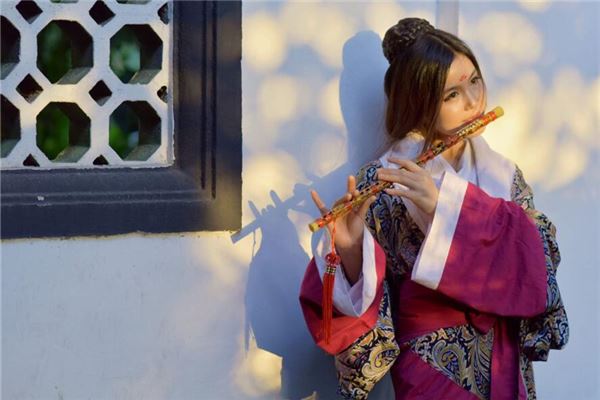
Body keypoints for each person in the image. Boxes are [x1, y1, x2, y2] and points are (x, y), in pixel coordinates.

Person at [299, 18, 568, 400]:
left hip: (503, 357)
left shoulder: (504, 174)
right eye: (452, 94)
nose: (473, 101)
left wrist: (449, 207)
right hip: (431, 363)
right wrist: (350, 248)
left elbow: (540, 258)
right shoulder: (383, 178)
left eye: (474, 81)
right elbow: (368, 311)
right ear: (419, 101)